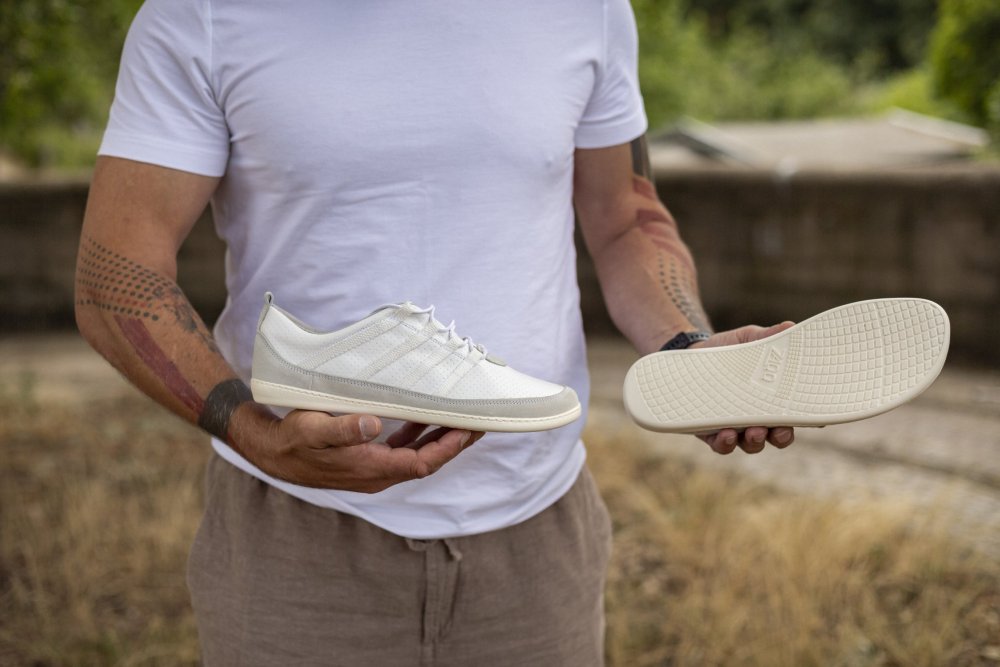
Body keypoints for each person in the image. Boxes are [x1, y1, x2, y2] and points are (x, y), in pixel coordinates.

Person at [75, 1, 795, 664]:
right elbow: (115, 273)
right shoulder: (200, 14)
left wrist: (687, 350)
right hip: (294, 544)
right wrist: (258, 435)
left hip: (536, 541)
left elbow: (625, 219)